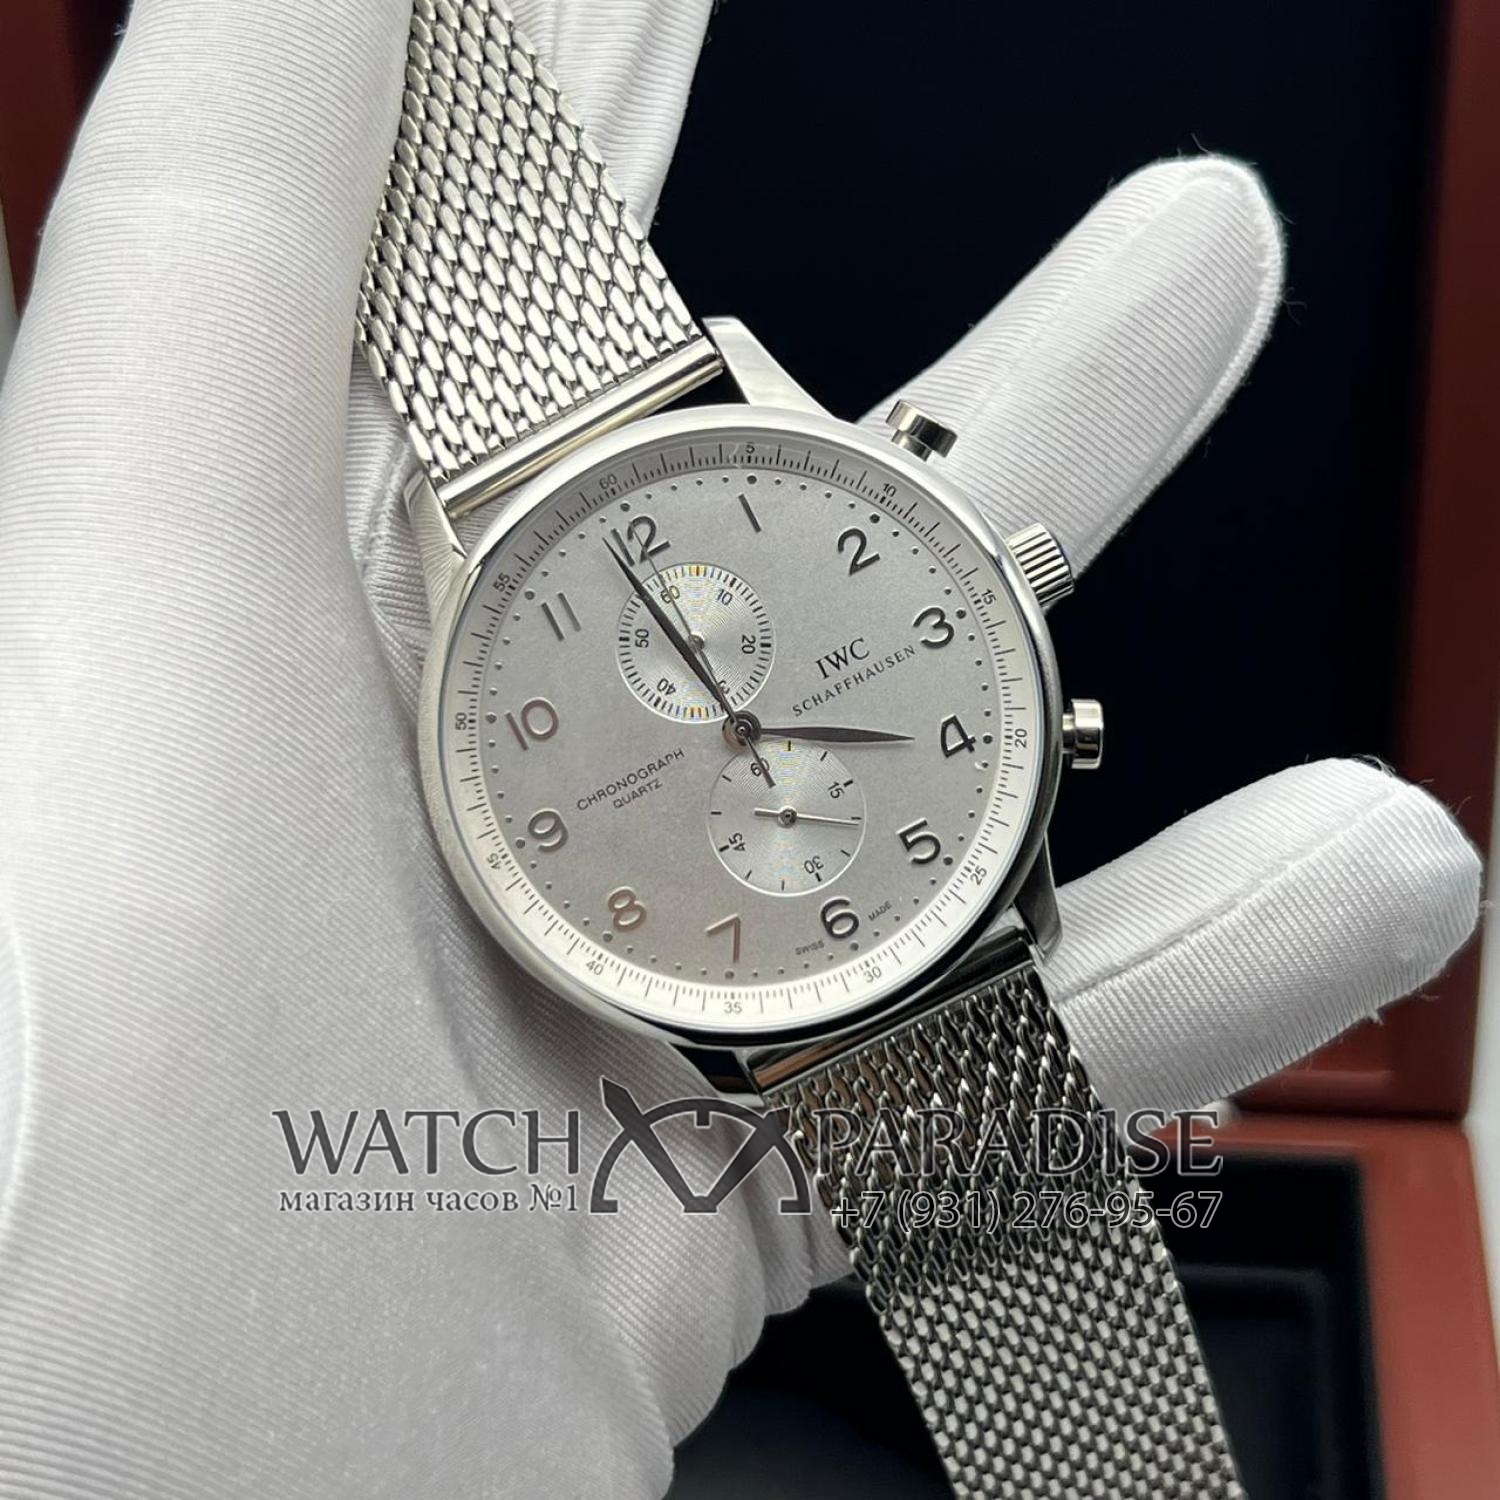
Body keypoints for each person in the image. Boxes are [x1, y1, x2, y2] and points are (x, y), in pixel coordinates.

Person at [0, 2, 1479, 1495]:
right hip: (731, 910)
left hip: (853, 913)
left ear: (1044, 704)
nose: (741, 730)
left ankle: (1105, 1451)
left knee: (1092, 1424)